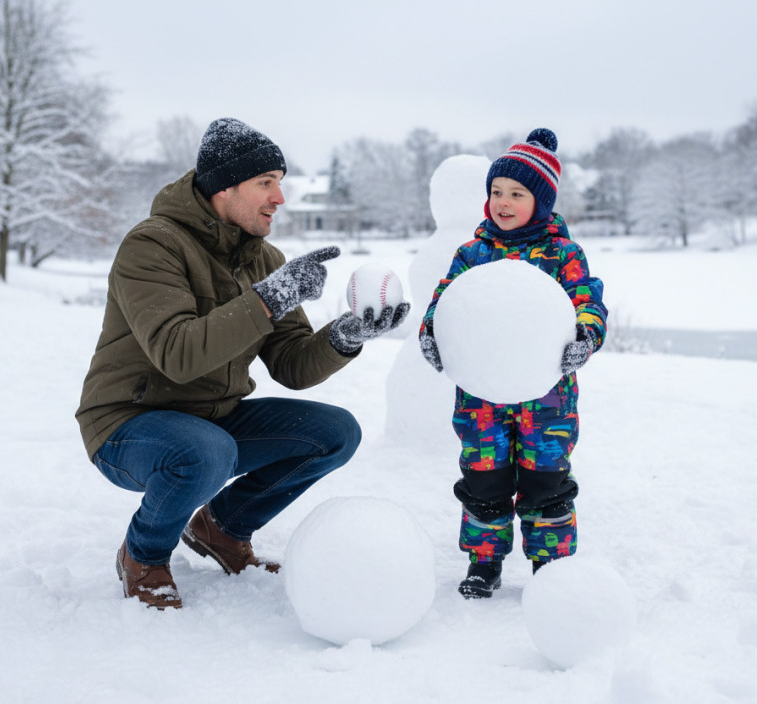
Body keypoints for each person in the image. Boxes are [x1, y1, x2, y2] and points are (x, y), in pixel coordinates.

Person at [76, 117, 409, 609]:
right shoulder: (152, 244)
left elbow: (293, 366)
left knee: (336, 432)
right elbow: (178, 353)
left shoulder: (264, 258)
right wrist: (269, 299)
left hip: (213, 420)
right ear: (223, 188)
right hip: (129, 423)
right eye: (265, 183)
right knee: (206, 452)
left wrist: (345, 335)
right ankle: (142, 555)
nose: (279, 198)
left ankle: (223, 528)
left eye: (280, 183)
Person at [418, 129, 607, 599]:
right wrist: (431, 333)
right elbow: (445, 303)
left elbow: (589, 303)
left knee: (547, 482)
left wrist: (585, 336)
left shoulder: (562, 255)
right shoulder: (473, 253)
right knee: (485, 480)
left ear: (540, 201)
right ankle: (484, 561)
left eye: (516, 194)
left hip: (547, 402)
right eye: (496, 192)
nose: (503, 202)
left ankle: (551, 566)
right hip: (480, 399)